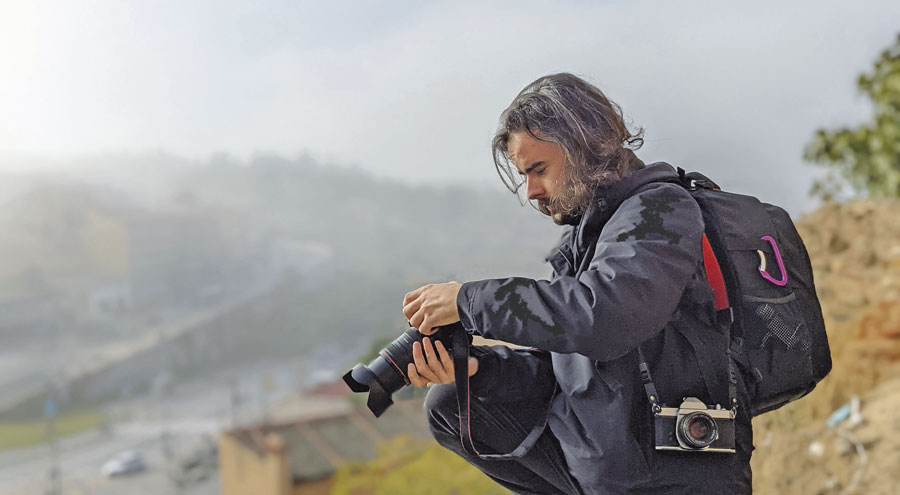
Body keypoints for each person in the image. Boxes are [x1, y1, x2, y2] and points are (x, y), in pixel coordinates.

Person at [400, 73, 753, 495]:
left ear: (584, 146)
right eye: (523, 175)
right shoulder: (587, 243)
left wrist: (469, 301)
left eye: (539, 169)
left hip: (676, 475)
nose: (530, 191)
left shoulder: (662, 209)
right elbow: (566, 372)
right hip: (612, 472)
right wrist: (478, 370)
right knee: (454, 403)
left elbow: (606, 317)